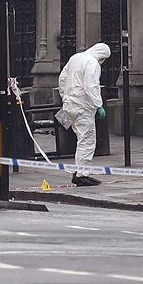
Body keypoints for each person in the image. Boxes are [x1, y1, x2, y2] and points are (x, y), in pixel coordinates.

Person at [57, 43, 111, 186]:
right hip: (83, 108)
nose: (102, 62)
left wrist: (65, 96)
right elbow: (91, 85)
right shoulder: (92, 63)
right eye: (103, 59)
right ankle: (82, 175)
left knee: (81, 139)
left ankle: (79, 171)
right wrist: (99, 105)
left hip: (70, 105)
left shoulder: (75, 57)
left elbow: (62, 78)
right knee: (87, 140)